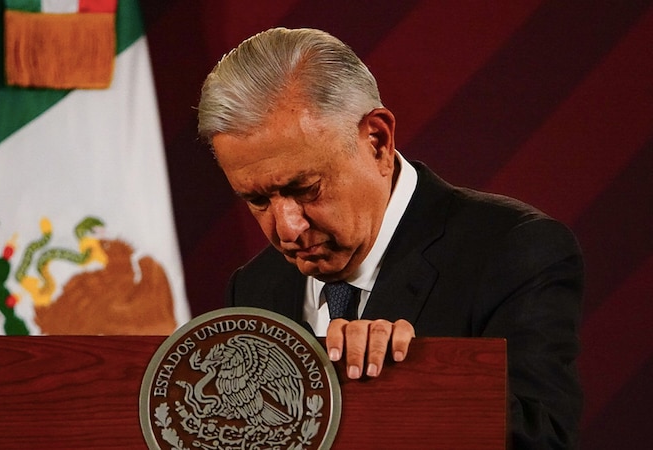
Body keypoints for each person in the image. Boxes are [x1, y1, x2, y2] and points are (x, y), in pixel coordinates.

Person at [197, 27, 583, 448]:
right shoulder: (253, 287)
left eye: (306, 189)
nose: (287, 228)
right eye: (256, 200)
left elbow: (542, 438)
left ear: (377, 140)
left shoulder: (514, 251)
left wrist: (410, 377)